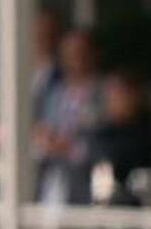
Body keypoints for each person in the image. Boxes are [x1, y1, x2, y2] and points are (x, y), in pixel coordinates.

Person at [35, 29, 102, 205]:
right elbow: (44, 132)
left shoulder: (102, 93)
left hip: (90, 186)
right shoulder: (55, 94)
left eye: (81, 52)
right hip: (55, 180)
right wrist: (44, 139)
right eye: (70, 53)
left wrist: (70, 147)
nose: (76, 58)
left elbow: (101, 139)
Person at [90, 72, 151, 205]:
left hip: (134, 211)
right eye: (113, 96)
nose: (116, 101)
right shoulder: (100, 134)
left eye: (122, 95)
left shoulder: (145, 134)